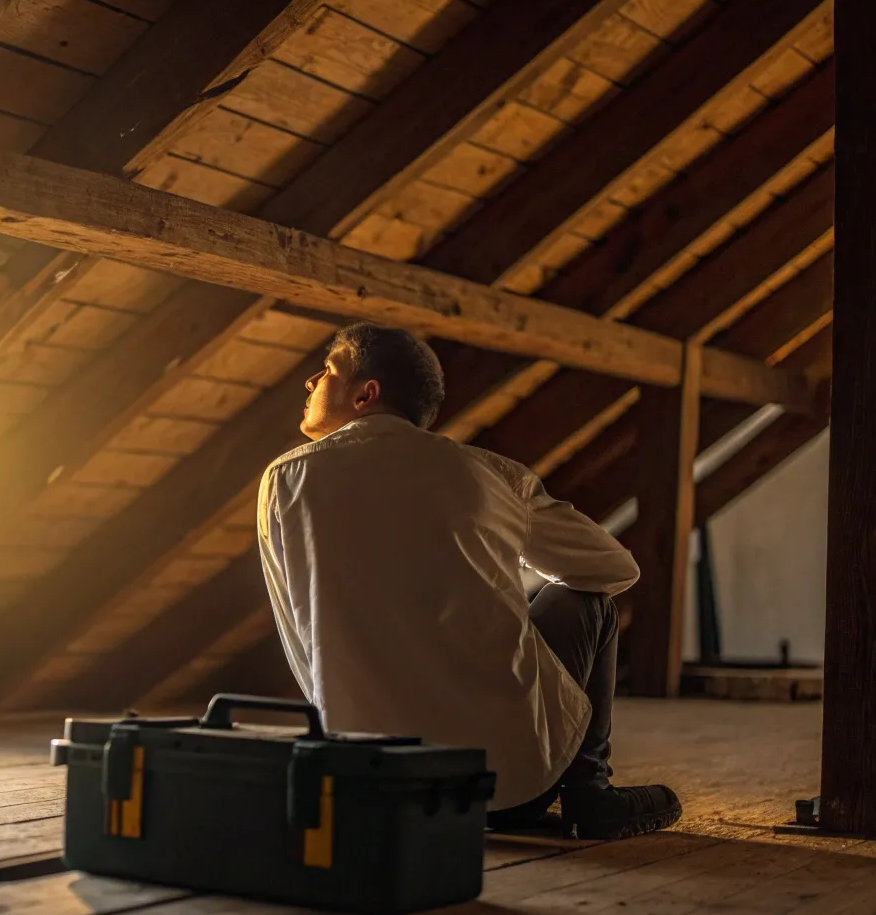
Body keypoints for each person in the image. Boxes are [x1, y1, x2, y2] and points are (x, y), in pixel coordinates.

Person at [255, 322, 680, 840]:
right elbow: (614, 570)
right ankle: (590, 794)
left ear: (367, 394)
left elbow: (301, 639)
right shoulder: (489, 475)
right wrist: (499, 553)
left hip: (373, 783)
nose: (311, 383)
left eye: (327, 371)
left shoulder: (283, 480)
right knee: (584, 603)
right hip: (509, 788)